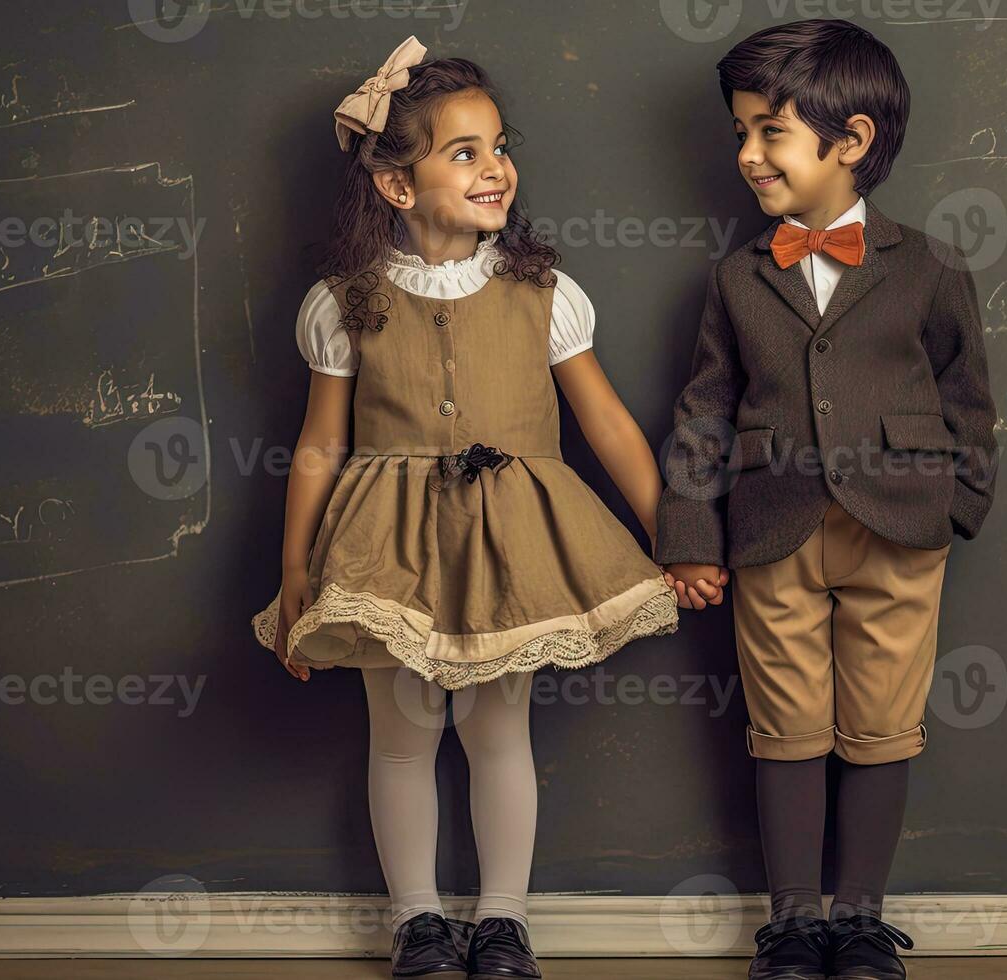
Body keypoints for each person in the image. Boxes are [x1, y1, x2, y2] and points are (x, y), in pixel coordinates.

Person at [251, 36, 679, 979]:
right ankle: (416, 923)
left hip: (512, 545)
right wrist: (295, 579)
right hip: (383, 550)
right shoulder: (345, 303)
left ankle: (502, 920)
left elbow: (605, 425)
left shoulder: (545, 295)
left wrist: (670, 536)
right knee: (401, 737)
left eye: (498, 145)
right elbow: (321, 444)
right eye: (464, 152)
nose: (495, 168)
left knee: (497, 730)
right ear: (399, 187)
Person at [656, 19, 1000, 980]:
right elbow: (703, 412)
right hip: (770, 533)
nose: (746, 154)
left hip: (900, 528)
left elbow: (969, 400)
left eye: (768, 131)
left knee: (884, 722)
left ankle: (859, 921)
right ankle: (792, 925)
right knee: (786, 725)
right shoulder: (736, 276)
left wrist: (957, 507)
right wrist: (689, 535)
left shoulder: (929, 268)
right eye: (739, 133)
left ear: (848, 141)